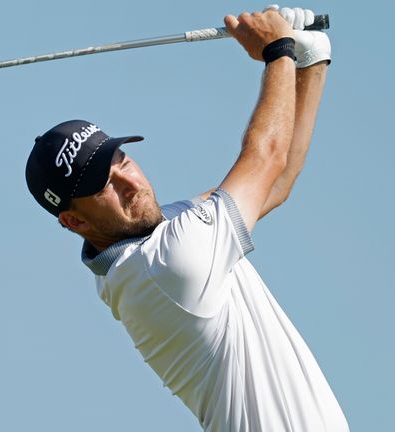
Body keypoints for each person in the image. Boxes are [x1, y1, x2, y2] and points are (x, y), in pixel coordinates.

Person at [25, 5, 348, 432]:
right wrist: (278, 50)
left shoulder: (161, 240)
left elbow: (275, 181)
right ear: (74, 222)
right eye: (101, 184)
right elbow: (265, 158)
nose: (129, 181)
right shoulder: (166, 265)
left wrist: (308, 62)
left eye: (120, 159)